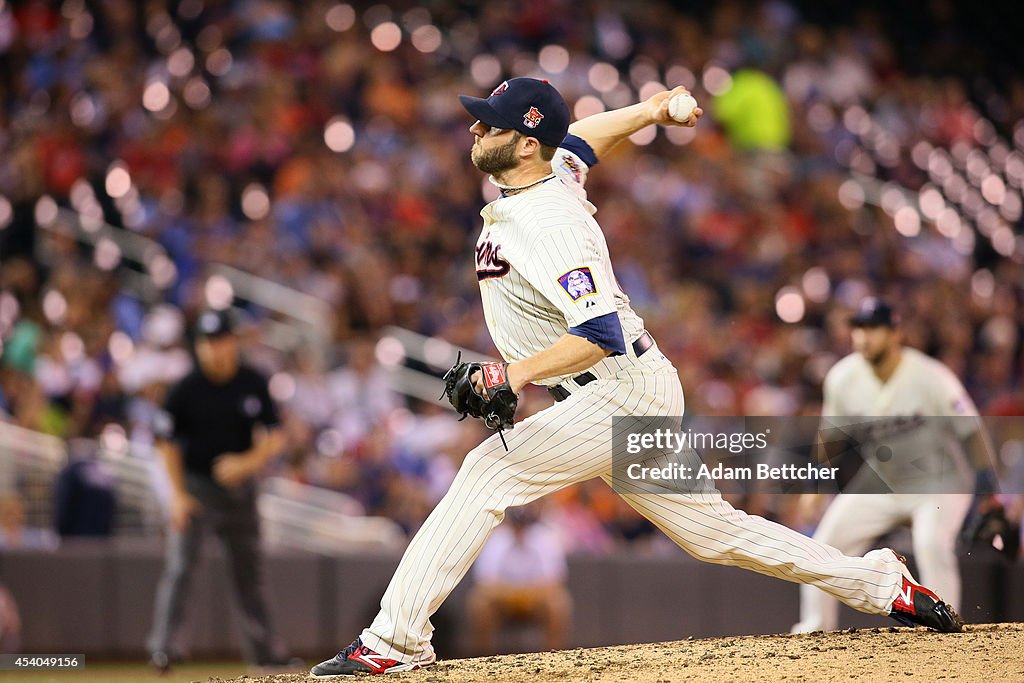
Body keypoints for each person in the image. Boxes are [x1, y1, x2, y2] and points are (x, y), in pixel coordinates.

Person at [311, 78, 961, 678]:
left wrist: (513, 372)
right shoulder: (545, 178)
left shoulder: (553, 221)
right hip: (621, 390)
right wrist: (650, 111)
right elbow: (580, 140)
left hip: (620, 389)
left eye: (491, 126)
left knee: (490, 470)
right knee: (715, 533)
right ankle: (881, 583)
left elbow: (599, 335)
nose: (476, 132)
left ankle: (394, 641)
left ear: (525, 145)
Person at [791, 298, 993, 633]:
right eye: (858, 328)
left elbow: (971, 432)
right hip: (883, 482)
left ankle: (944, 627)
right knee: (823, 543)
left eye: (873, 328)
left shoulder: (930, 376)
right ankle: (816, 624)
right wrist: (815, 486)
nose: (863, 337)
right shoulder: (842, 377)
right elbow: (831, 436)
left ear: (895, 333)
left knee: (930, 543)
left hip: (939, 483)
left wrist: (989, 488)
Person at [147, 310, 296, 672]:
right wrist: (178, 496)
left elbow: (276, 436)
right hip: (197, 487)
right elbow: (165, 442)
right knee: (180, 569)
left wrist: (247, 463)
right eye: (206, 342)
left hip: (241, 492)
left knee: (251, 577)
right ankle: (164, 649)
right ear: (198, 347)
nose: (214, 349)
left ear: (233, 342)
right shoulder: (186, 387)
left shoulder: (252, 381)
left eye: (220, 341)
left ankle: (267, 655)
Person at [466, 504, 571, 655]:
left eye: (525, 524)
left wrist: (525, 595)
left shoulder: (545, 537)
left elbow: (555, 583)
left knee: (558, 603)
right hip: (503, 601)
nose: (521, 529)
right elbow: (485, 583)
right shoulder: (497, 537)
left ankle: (555, 659)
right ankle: (482, 659)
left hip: (535, 601)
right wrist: (515, 594)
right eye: (517, 524)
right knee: (479, 602)